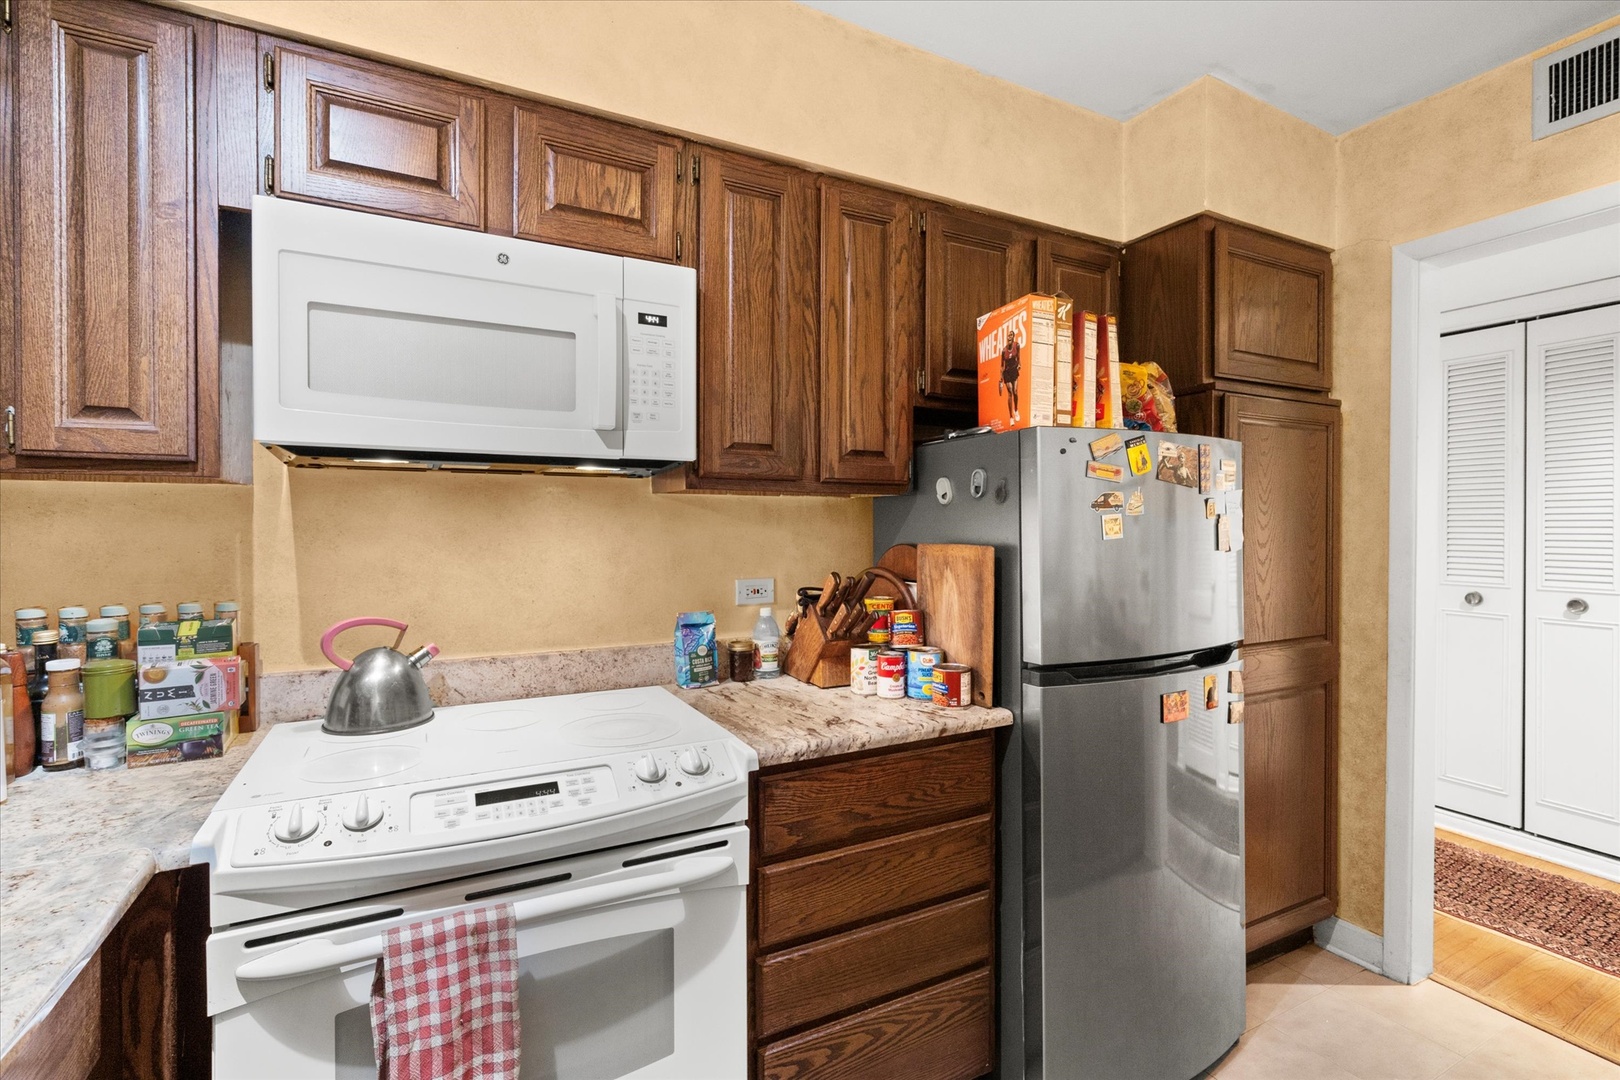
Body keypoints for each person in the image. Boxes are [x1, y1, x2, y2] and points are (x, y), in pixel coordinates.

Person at [999, 326, 1021, 423]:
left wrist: (1019, 365)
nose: (1009, 337)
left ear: (1013, 337)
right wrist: (1001, 378)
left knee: (1015, 391)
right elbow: (1002, 365)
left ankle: (1016, 410)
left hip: (1014, 371)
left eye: (1011, 335)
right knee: (1010, 392)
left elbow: (1019, 357)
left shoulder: (1017, 346)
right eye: (1008, 335)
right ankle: (1011, 417)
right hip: (1007, 372)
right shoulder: (1004, 351)